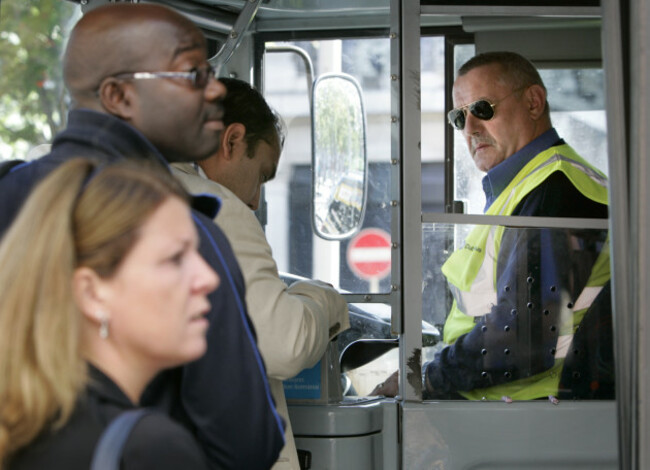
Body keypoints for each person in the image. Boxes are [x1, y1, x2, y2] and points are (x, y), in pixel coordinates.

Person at [0, 4, 285, 469]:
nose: (214, 91)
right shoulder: (184, 235)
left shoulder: (11, 193)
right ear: (119, 95)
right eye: (191, 76)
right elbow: (247, 443)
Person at [374, 51, 610, 401]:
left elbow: (522, 338)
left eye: (483, 109)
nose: (469, 128)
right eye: (459, 117)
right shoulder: (525, 189)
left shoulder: (552, 191)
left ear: (533, 103)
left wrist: (428, 376)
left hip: (528, 418)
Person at [172, 77, 350, 470]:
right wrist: (319, 299)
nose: (254, 201)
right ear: (232, 141)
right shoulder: (213, 209)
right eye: (262, 175)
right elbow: (286, 343)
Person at [1, 158, 218, 469]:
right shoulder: (150, 450)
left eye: (197, 253)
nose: (208, 277)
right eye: (175, 258)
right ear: (92, 293)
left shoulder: (25, 425)